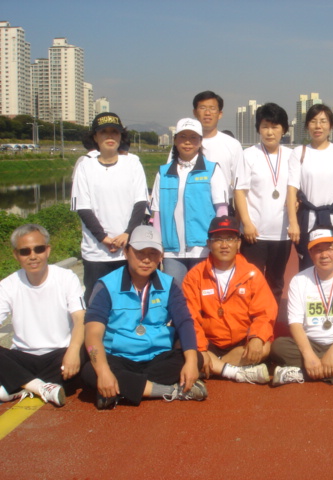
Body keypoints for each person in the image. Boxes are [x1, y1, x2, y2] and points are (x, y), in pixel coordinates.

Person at [82, 225, 206, 409]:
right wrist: (103, 371)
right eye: (140, 252)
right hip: (120, 358)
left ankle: (120, 391)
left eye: (153, 253)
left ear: (161, 256)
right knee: (89, 371)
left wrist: (191, 362)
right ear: (126, 252)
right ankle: (170, 391)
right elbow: (92, 333)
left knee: (196, 357)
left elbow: (184, 323)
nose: (146, 259)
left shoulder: (170, 284)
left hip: (157, 358)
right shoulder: (106, 285)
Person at [182, 216, 277, 384]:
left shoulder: (252, 273)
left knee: (265, 346)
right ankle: (231, 370)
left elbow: (265, 312)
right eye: (218, 239)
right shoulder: (195, 276)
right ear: (209, 243)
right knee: (183, 346)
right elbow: (190, 318)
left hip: (240, 344)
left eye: (230, 239)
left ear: (239, 243)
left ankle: (213, 366)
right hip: (209, 343)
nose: (224, 245)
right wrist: (201, 348)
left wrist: (256, 337)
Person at [0, 224, 85, 407]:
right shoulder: (8, 285)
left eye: (38, 249)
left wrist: (73, 351)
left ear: (47, 250)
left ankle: (17, 384)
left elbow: (80, 318)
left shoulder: (66, 278)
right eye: (25, 251)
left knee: (87, 350)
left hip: (60, 356)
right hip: (23, 357)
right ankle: (40, 387)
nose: (33, 256)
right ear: (16, 255)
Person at [270, 228, 333, 386]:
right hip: (311, 343)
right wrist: (308, 355)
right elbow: (295, 324)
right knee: (278, 347)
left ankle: (301, 373)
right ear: (310, 254)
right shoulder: (298, 280)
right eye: (318, 250)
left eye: (329, 249)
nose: (324, 255)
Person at [71, 112, 148, 302]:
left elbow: (141, 202)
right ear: (95, 137)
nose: (110, 137)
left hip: (127, 249)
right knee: (96, 302)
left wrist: (127, 234)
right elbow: (83, 207)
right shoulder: (85, 166)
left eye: (114, 132)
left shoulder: (133, 163)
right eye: (103, 132)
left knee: (128, 301)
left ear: (121, 136)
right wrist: (103, 238)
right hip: (96, 252)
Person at [151, 118, 228, 285]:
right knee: (176, 296)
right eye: (182, 137)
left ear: (200, 141)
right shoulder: (163, 173)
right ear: (175, 140)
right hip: (172, 250)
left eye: (193, 137)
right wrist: (158, 244)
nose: (187, 142)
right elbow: (156, 212)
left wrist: (218, 242)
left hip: (203, 248)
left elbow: (221, 211)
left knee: (203, 295)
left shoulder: (212, 170)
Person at [235, 103, 292, 303]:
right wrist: (247, 223)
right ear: (258, 128)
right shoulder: (249, 155)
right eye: (265, 126)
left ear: (284, 129)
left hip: (282, 233)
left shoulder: (291, 156)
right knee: (251, 281)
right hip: (255, 233)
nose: (270, 132)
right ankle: (250, 326)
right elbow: (239, 192)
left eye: (275, 127)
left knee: (276, 282)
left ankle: (271, 326)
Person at [287, 104, 333, 270]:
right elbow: (292, 190)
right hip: (308, 221)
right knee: (308, 266)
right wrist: (293, 223)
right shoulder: (299, 152)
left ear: (330, 126)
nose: (318, 126)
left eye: (323, 121)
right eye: (313, 121)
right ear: (307, 125)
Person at [192, 91, 244, 211]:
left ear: (220, 114)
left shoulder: (233, 145)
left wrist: (239, 218)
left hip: (223, 206)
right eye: (203, 108)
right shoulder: (185, 144)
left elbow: (239, 185)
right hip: (191, 205)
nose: (208, 113)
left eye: (212, 108)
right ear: (195, 112)